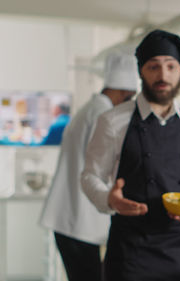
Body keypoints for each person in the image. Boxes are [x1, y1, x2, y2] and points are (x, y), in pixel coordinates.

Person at [81, 29, 180, 281]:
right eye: (153, 66)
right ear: (141, 71)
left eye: (170, 66)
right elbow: (90, 176)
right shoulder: (112, 120)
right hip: (131, 252)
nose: (162, 75)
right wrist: (110, 200)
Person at [39, 52, 138, 281]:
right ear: (124, 93)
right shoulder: (102, 115)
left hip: (72, 219)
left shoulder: (89, 110)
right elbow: (105, 167)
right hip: (78, 221)